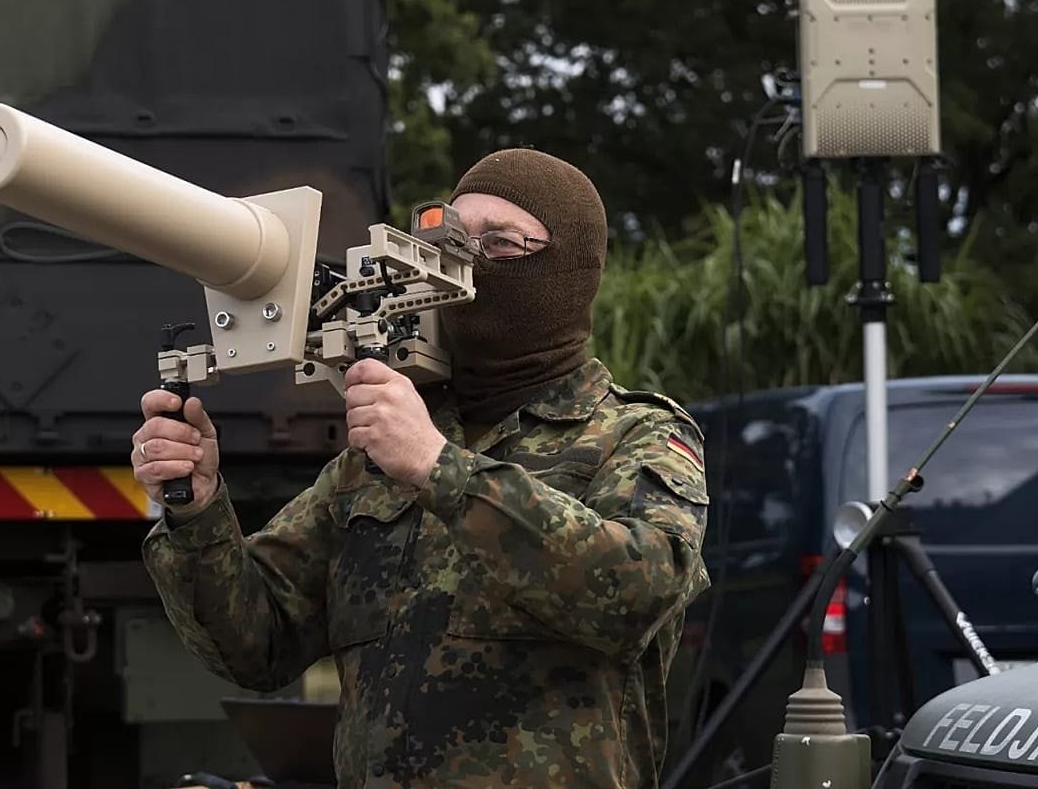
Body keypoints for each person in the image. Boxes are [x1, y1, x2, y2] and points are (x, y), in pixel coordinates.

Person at [132, 149, 712, 788]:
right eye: (454, 241)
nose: (466, 266)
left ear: (570, 271)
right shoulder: (375, 462)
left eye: (499, 244)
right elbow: (255, 645)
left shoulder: (634, 433)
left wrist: (440, 468)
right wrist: (197, 508)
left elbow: (638, 594)